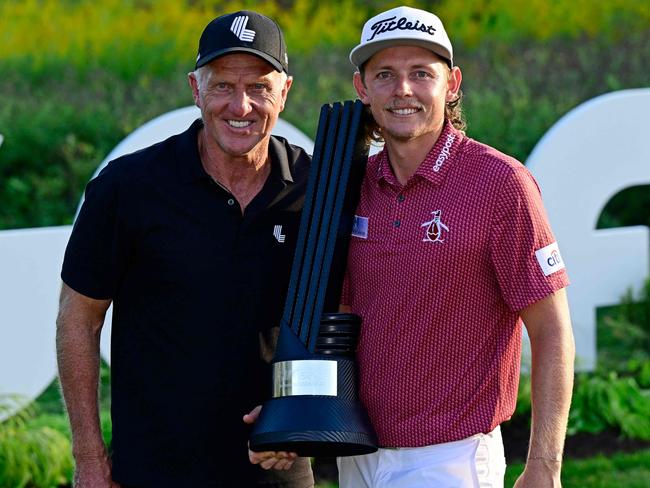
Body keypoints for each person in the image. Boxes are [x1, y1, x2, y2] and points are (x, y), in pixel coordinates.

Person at [56, 10, 314, 488]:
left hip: (275, 468)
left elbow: (344, 312)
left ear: (285, 91)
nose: (241, 106)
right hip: (154, 468)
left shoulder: (318, 187)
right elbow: (79, 317)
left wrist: (303, 411)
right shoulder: (128, 187)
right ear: (195, 90)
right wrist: (89, 457)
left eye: (259, 86)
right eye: (222, 86)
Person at [336, 5, 575, 488]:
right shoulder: (351, 183)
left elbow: (552, 332)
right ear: (362, 88)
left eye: (421, 73)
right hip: (357, 452)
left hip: (451, 459)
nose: (402, 90)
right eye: (385, 74)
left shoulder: (500, 183)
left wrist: (545, 465)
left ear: (452, 83)